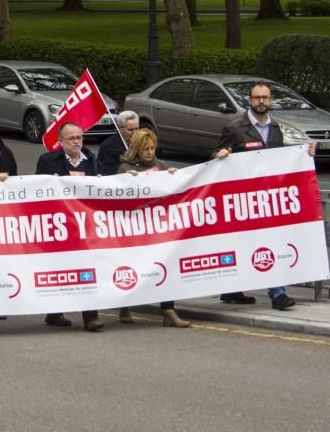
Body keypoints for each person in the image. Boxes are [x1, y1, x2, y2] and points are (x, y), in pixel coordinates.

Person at [214, 81, 317, 310]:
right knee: (243, 244)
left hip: (268, 199)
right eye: (257, 97)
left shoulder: (276, 129)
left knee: (270, 241)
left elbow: (282, 159)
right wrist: (220, 154)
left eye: (265, 98)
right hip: (242, 200)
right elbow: (215, 158)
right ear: (249, 101)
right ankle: (231, 291)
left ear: (270, 101)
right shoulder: (234, 128)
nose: (261, 101)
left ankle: (277, 293)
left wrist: (306, 153)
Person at [115, 129, 190, 327]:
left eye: (152, 148)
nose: (149, 152)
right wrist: (126, 179)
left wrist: (172, 175)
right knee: (134, 267)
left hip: (158, 226)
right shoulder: (125, 168)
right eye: (145, 149)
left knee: (168, 263)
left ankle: (168, 310)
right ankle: (125, 306)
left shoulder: (161, 165)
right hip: (135, 227)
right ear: (136, 149)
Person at [36, 122, 102, 332]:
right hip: (59, 224)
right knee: (60, 268)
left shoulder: (91, 160)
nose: (76, 142)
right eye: (72, 138)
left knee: (87, 269)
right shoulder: (48, 161)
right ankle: (54, 312)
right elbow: (36, 192)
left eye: (79, 138)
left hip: (85, 225)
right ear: (61, 141)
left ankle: (91, 315)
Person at [97, 110, 139, 177]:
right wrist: (124, 172)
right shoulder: (107, 146)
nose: (135, 133)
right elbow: (105, 170)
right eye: (130, 130)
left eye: (137, 129)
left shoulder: (144, 141)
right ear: (120, 128)